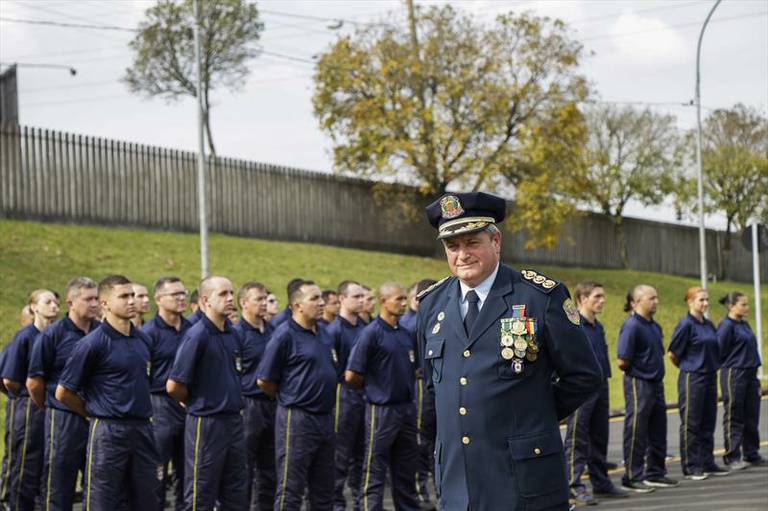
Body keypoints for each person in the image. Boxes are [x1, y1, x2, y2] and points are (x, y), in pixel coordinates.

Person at [417, 192, 603, 510]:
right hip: (457, 483)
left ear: (496, 241)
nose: (462, 254)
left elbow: (584, 376)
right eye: (452, 246)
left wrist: (531, 416)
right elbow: (435, 385)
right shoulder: (431, 304)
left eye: (471, 242)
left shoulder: (541, 297)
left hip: (522, 480)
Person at [55, 275, 160, 509]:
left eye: (132, 295)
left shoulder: (143, 340)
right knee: (103, 500)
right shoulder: (92, 343)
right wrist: (93, 412)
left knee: (147, 499)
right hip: (109, 432)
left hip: (142, 428)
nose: (131, 301)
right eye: (124, 296)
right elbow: (63, 392)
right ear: (104, 304)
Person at [167, 276, 247, 510]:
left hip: (233, 421)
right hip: (207, 422)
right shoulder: (197, 334)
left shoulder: (232, 333)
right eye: (223, 294)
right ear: (205, 300)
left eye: (231, 293)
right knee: (202, 491)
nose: (230, 298)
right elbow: (174, 385)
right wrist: (196, 402)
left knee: (236, 491)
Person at [256, 280, 337, 511]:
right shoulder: (284, 335)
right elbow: (265, 380)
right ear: (297, 305)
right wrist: (291, 397)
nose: (321, 302)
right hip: (297, 420)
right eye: (314, 298)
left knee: (324, 490)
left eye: (321, 297)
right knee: (291, 488)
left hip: (325, 418)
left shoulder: (324, 333)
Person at [27, 276, 100, 511]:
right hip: (64, 419)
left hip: (98, 416)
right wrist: (49, 407)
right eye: (88, 299)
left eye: (97, 299)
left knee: (99, 483)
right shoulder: (52, 335)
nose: (94, 304)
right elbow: (34, 383)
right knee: (58, 484)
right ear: (70, 303)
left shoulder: (102, 332)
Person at [346, 282, 420, 511]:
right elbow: (352, 375)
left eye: (403, 299)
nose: (402, 303)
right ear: (384, 301)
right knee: (374, 471)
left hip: (406, 409)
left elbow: (415, 368)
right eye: (398, 299)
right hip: (382, 410)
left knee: (406, 471)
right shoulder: (371, 333)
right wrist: (375, 389)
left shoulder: (406, 333)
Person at [564, 281, 627, 505]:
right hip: (582, 389)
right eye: (597, 297)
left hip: (601, 384)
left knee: (600, 436)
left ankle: (601, 483)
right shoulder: (573, 325)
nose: (602, 301)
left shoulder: (597, 326)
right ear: (582, 299)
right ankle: (573, 484)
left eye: (602, 296)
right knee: (577, 437)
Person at [2, 289, 59, 510]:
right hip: (27, 404)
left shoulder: (53, 336)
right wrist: (22, 397)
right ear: (35, 307)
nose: (54, 306)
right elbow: (9, 379)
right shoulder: (25, 337)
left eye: (56, 301)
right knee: (25, 457)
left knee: (45, 458)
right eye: (48, 302)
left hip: (48, 404)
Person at [618, 285, 678, 492]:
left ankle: (655, 472)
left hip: (656, 383)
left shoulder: (654, 326)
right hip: (639, 382)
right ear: (636, 302)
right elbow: (622, 360)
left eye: (657, 297)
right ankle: (632, 476)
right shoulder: (632, 326)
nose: (656, 301)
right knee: (637, 429)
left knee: (658, 429)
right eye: (651, 298)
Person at [668, 286, 728, 480]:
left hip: (710, 375)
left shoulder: (708, 325)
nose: (705, 303)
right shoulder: (686, 324)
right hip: (693, 376)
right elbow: (673, 354)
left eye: (707, 300)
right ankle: (691, 465)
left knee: (708, 420)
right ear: (690, 301)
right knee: (691, 422)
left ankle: (706, 461)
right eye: (701, 300)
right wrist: (690, 366)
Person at [142, 276, 191, 511]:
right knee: (157, 471)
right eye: (175, 294)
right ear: (159, 299)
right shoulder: (148, 332)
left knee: (188, 470)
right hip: (160, 405)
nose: (182, 298)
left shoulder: (193, 330)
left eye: (184, 293)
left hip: (189, 405)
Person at [232, 281, 277, 511]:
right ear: (243, 303)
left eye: (265, 299)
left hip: (273, 404)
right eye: (258, 299)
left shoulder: (273, 332)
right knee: (245, 467)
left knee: (270, 468)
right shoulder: (236, 334)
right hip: (249, 405)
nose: (264, 303)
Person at [326, 280, 367, 511]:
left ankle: (361, 503)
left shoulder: (363, 327)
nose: (361, 301)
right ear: (342, 299)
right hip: (343, 395)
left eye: (363, 296)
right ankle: (336, 504)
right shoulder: (334, 330)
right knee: (340, 455)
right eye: (356, 297)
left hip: (364, 394)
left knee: (362, 455)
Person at [717, 291, 766, 470]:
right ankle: (732, 455)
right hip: (734, 373)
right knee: (734, 414)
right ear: (731, 306)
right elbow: (719, 350)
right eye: (743, 304)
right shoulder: (726, 326)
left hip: (750, 373)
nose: (747, 307)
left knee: (751, 415)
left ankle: (751, 453)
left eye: (747, 304)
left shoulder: (744, 325)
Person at [401, 279, 437, 510]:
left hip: (440, 385)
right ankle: (419, 490)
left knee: (437, 440)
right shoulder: (412, 324)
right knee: (421, 440)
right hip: (423, 385)